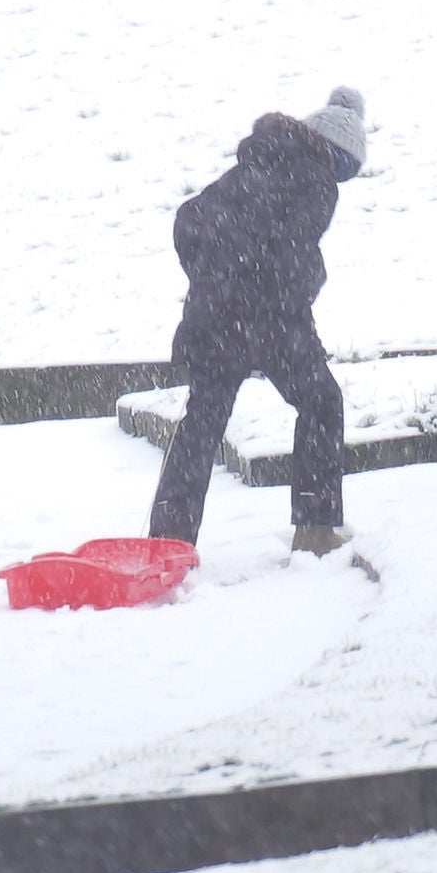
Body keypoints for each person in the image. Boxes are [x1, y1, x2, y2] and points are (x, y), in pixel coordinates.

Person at [147, 87, 369, 555]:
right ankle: (317, 526)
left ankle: (169, 539)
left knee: (203, 420)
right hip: (268, 316)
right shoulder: (315, 178)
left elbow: (189, 220)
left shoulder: (253, 166)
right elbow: (292, 255)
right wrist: (308, 280)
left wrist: (212, 277)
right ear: (337, 155)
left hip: (214, 312)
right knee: (322, 403)